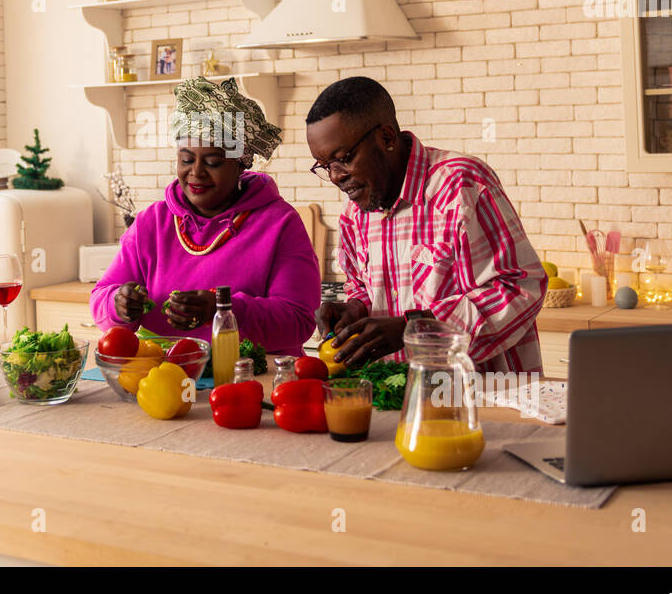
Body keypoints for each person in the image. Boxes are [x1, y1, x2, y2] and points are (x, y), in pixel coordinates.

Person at [305, 76, 545, 374]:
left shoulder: (461, 184)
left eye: (343, 158)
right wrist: (355, 308)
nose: (335, 176)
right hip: (403, 397)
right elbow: (362, 287)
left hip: (486, 394)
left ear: (387, 138)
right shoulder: (355, 209)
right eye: (325, 165)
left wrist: (415, 329)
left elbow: (520, 288)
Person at [90, 77, 320, 357]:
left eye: (213, 162)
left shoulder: (279, 223)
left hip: (252, 379)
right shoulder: (152, 222)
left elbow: (298, 321)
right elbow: (101, 299)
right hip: (163, 378)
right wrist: (118, 303)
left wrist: (222, 310)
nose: (196, 172)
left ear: (241, 164)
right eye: (186, 160)